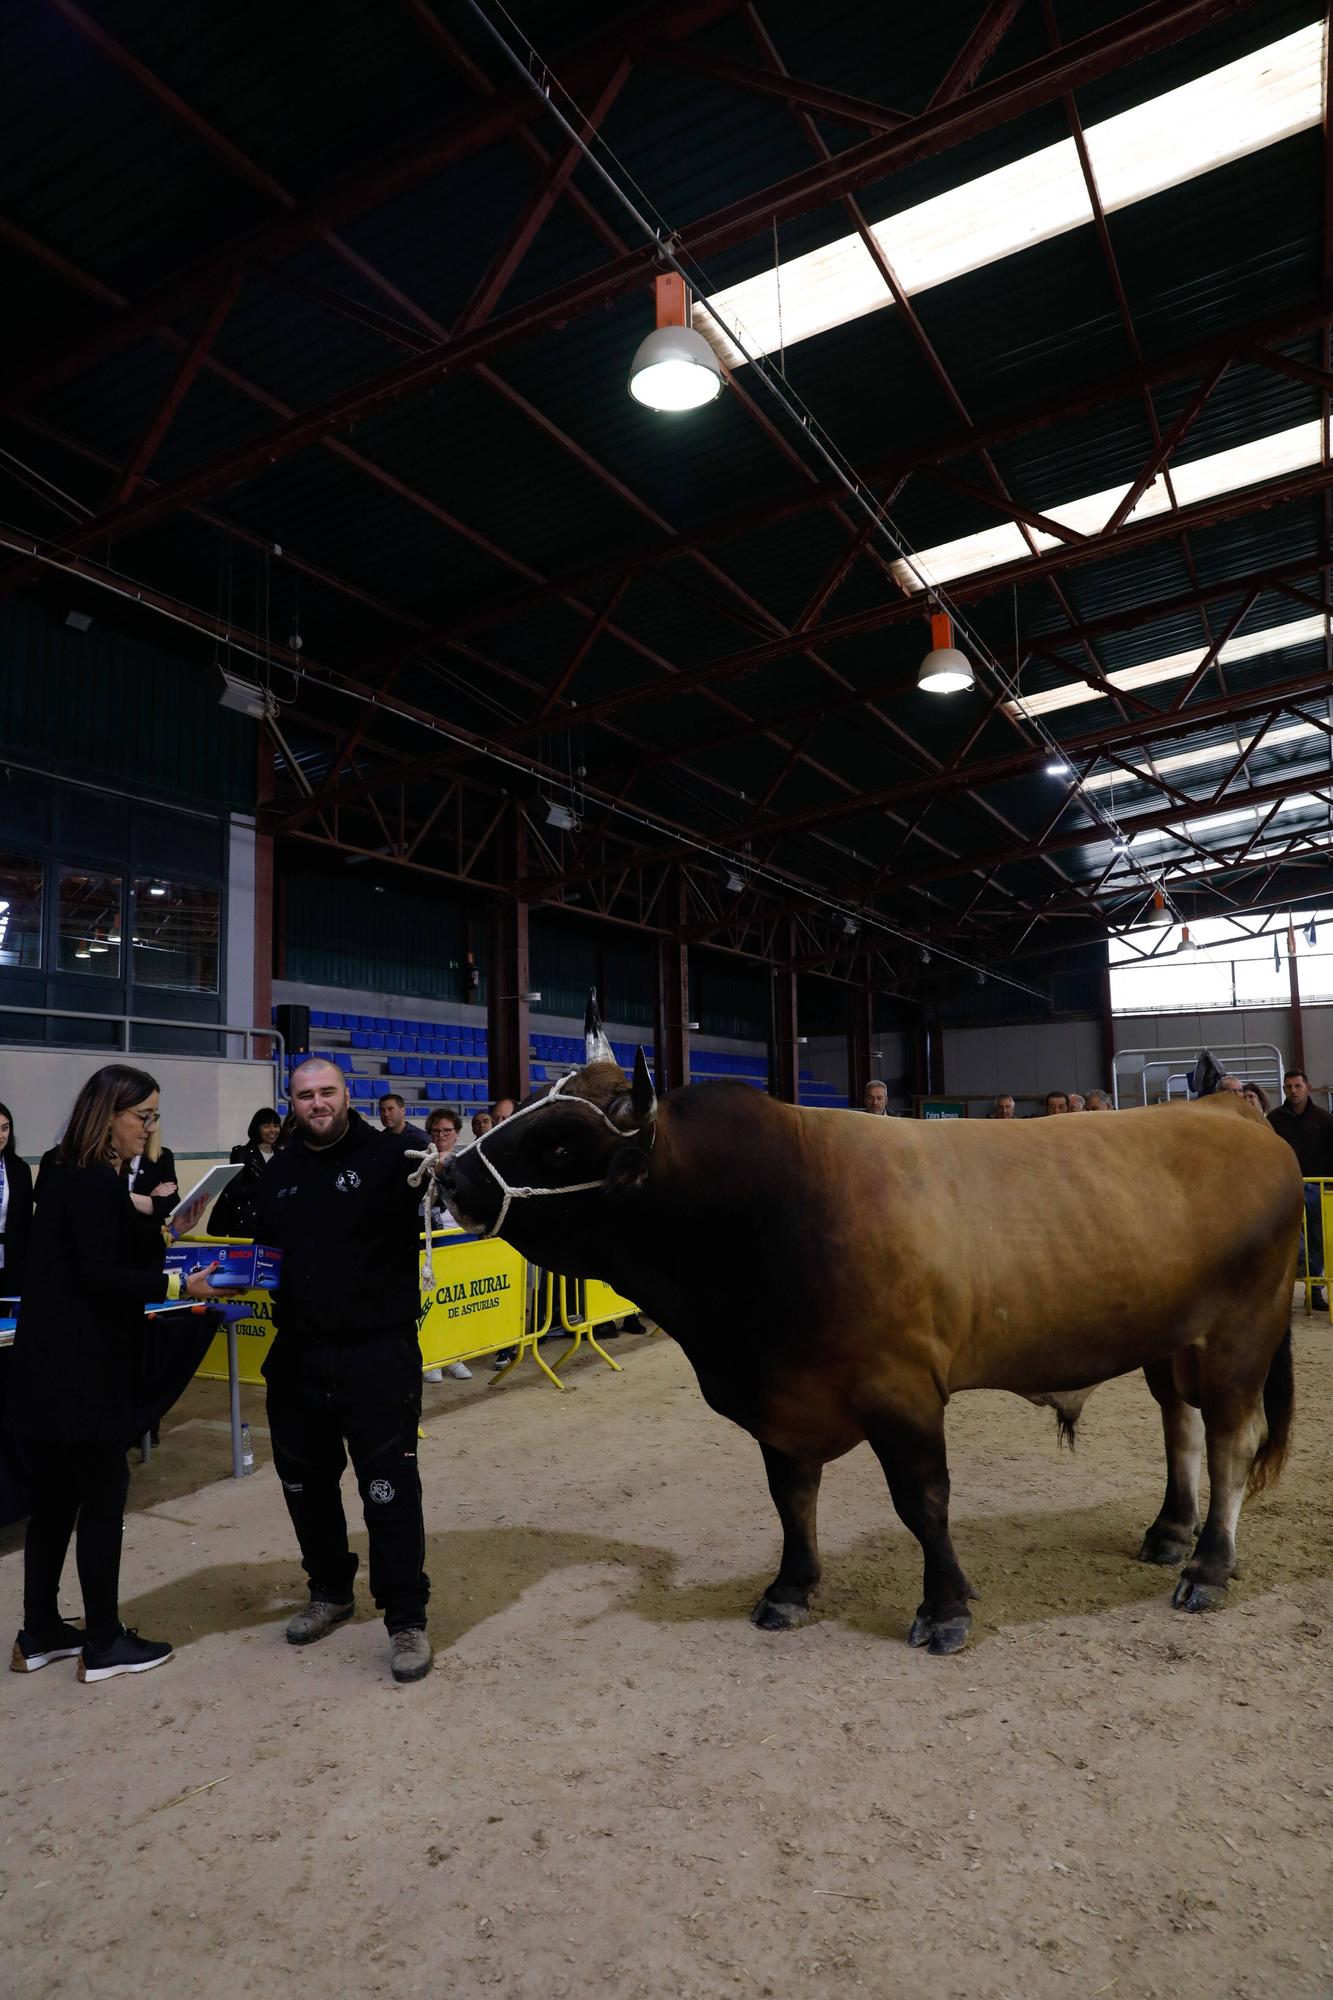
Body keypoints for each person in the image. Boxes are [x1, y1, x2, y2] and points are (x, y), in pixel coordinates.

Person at [8, 1065, 230, 1681]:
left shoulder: (65, 1168)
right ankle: (103, 1642)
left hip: (48, 1372)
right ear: (111, 1114)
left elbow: (100, 1250)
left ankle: (41, 1630)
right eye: (145, 1117)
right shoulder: (91, 1181)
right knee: (102, 1502)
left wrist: (166, 1228)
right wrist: (178, 1282)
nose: (150, 1130)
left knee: (54, 1502)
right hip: (82, 1374)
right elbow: (102, 1277)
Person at [254, 1057, 435, 1684]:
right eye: (304, 1095)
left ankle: (406, 1615)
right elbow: (268, 1257)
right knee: (305, 1484)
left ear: (346, 1095)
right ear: (291, 1102)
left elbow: (460, 1200)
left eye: (326, 1092)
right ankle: (330, 1590)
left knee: (387, 1489)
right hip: (299, 1355)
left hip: (376, 1355)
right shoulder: (276, 1173)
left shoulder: (395, 1158)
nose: (316, 1104)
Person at [1267, 1069, 1333, 1311]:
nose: (1293, 1091)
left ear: (1308, 1087)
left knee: (1318, 1238)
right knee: (1285, 1238)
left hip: (1317, 1185)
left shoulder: (1324, 1119)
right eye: (1288, 1087)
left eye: (1297, 1086)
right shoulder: (1274, 1119)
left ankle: (1314, 1289)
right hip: (1285, 1188)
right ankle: (1282, 1292)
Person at [421, 1110, 472, 1384]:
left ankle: (455, 1357)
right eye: (437, 1131)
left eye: (447, 1131)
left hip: (462, 1237)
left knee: (458, 1302)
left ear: (456, 1133)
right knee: (434, 1302)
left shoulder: (466, 1160)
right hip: (434, 1238)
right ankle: (431, 1359)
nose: (441, 1136)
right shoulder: (421, 1160)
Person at [209, 1107, 282, 1239]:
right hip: (246, 1225)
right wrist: (263, 1186)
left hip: (274, 1223)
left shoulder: (281, 1155)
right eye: (266, 1126)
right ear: (257, 1129)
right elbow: (234, 1190)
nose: (273, 1130)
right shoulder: (243, 1153)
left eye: (276, 1126)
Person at [0, 1100, 33, 1297]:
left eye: (5, 1128)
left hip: (12, 1259)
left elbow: (26, 1222)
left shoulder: (20, 1169)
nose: (1, 1135)